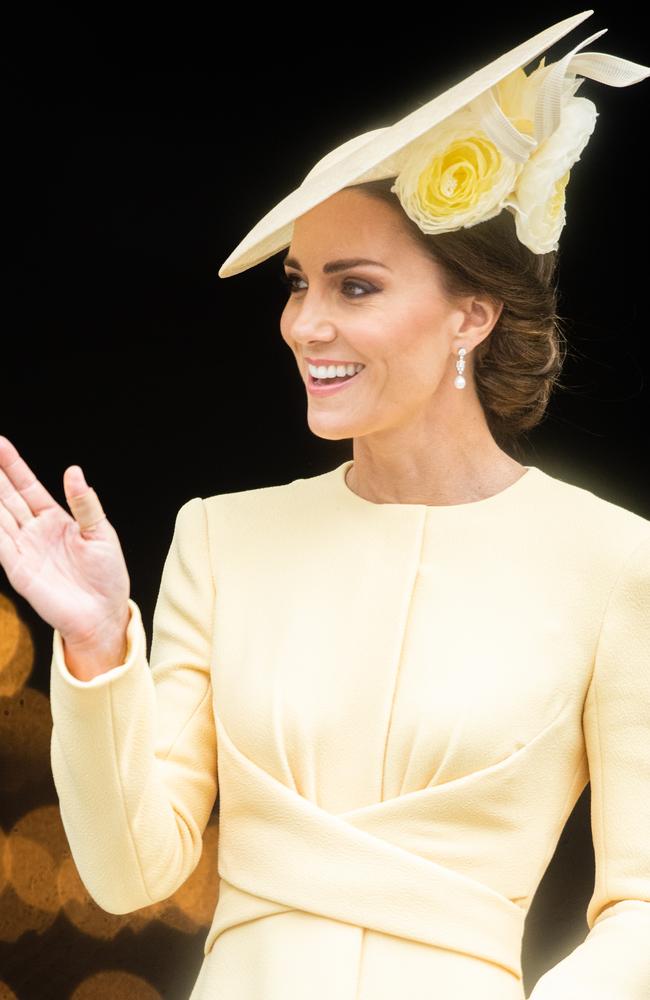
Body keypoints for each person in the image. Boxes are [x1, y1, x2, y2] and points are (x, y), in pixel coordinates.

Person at [1, 10, 650, 1000]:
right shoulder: (221, 539)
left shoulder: (612, 561)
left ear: (470, 313)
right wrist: (95, 648)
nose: (303, 322)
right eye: (299, 285)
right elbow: (131, 869)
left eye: (353, 287)